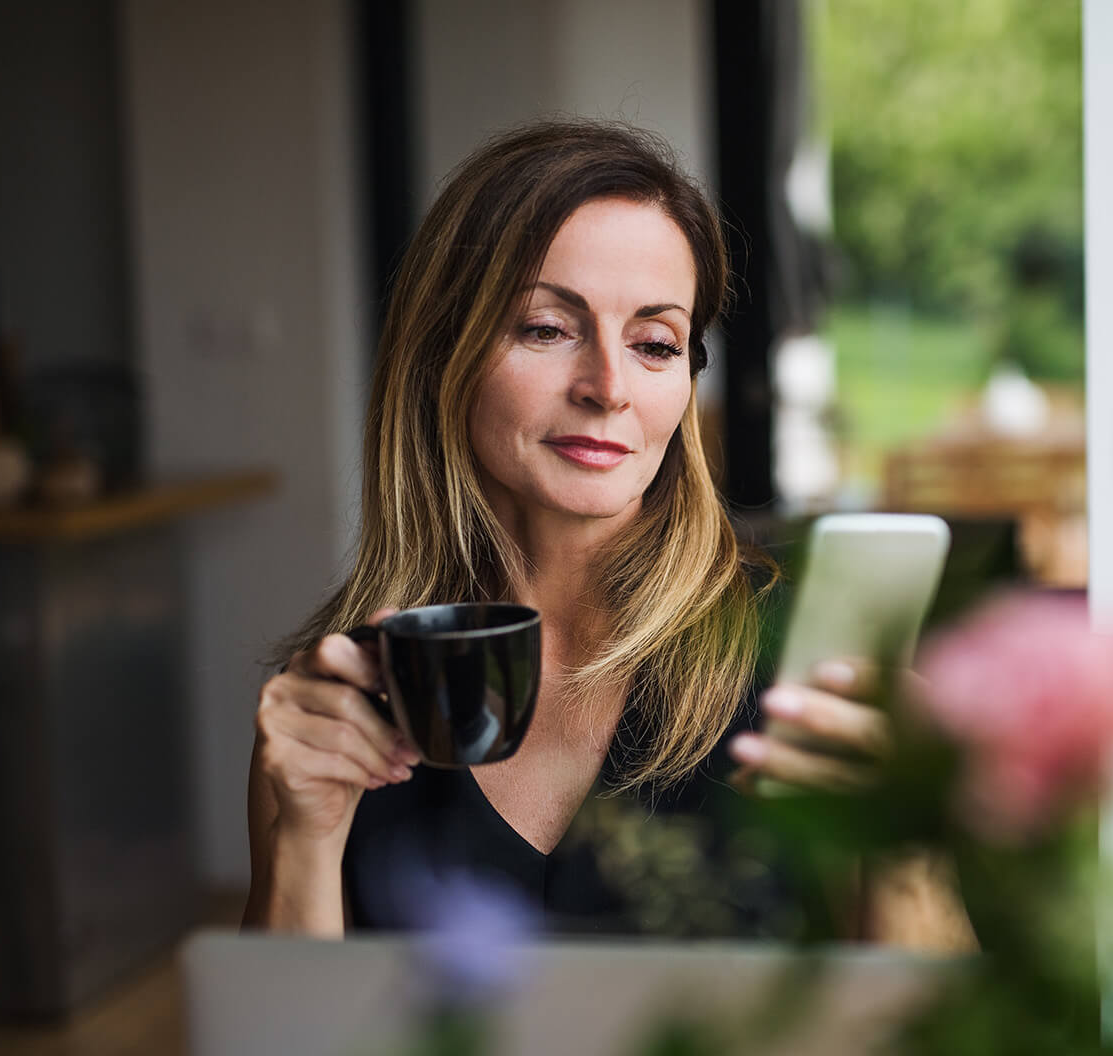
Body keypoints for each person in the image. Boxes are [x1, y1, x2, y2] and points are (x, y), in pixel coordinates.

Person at [242, 120, 973, 947]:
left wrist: (907, 842)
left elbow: (935, 1022)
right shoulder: (339, 703)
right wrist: (303, 835)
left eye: (655, 343)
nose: (608, 387)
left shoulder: (796, 666)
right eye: (546, 328)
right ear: (442, 351)